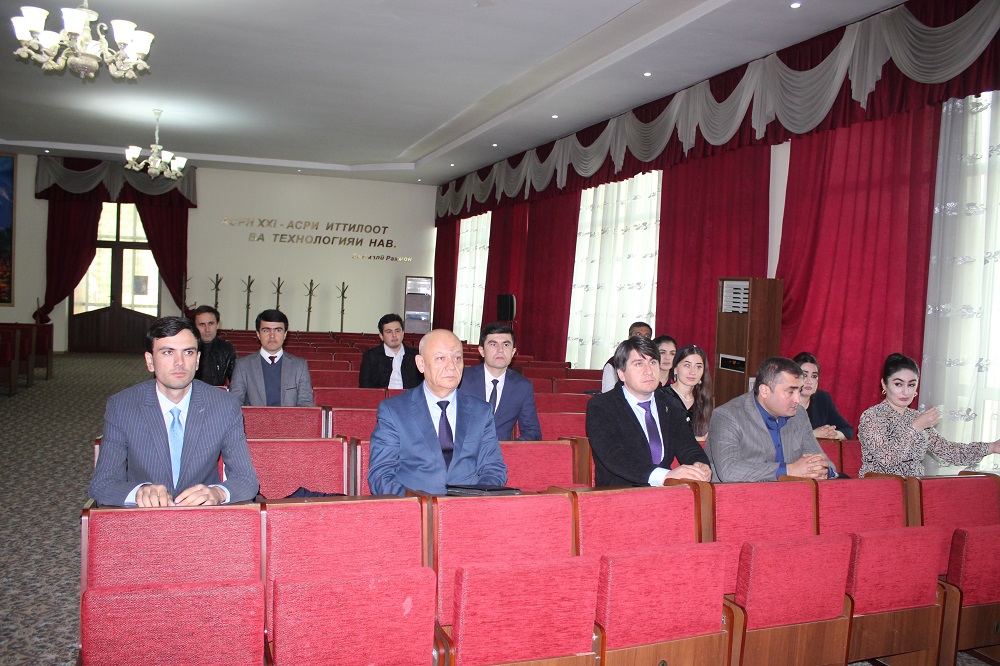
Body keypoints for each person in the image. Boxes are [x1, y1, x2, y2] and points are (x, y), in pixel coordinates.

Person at [88, 316, 259, 507]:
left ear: (197, 360)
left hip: (203, 516)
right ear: (150, 361)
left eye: (188, 352)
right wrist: (139, 492)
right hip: (144, 517)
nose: (179, 362)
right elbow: (102, 484)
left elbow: (246, 480)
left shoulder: (224, 406)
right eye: (168, 352)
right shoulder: (122, 407)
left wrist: (218, 493)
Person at [368, 329, 508, 496]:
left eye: (457, 358)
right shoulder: (394, 411)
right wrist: (419, 504)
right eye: (441, 358)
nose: (452, 366)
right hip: (415, 506)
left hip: (468, 505)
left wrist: (475, 501)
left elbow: (493, 469)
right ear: (420, 364)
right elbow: (381, 475)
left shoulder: (481, 411)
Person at [586, 336, 711, 487]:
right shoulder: (602, 406)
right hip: (620, 492)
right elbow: (614, 456)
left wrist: (700, 464)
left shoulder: (670, 404)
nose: (649, 371)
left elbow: (688, 445)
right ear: (621, 373)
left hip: (665, 491)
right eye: (639, 364)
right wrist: (665, 475)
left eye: (653, 363)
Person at [857, 353, 1000, 477]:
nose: (906, 392)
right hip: (879, 487)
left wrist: (992, 447)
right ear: (884, 384)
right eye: (898, 384)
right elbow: (886, 459)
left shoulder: (916, 417)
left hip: (913, 488)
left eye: (911, 385)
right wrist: (915, 428)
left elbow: (949, 451)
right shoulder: (871, 417)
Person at [706, 356, 837, 482]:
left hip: (791, 493)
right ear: (764, 391)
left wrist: (823, 471)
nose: (798, 399)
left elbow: (825, 462)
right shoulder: (727, 416)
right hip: (740, 495)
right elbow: (729, 470)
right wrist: (789, 470)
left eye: (799, 390)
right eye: (790, 392)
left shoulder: (799, 414)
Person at [458, 322, 541, 441]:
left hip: (503, 451)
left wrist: (510, 448)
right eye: (493, 344)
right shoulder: (461, 379)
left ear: (513, 352)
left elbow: (532, 432)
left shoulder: (522, 386)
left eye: (506, 345)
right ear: (481, 351)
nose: (500, 350)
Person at [229, 309, 314, 407]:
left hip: (290, 417)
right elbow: (235, 404)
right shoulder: (242, 366)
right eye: (266, 330)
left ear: (285, 334)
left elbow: (306, 405)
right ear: (258, 334)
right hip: (254, 417)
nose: (272, 335)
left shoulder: (300, 366)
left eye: (278, 330)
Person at [793, 352, 854, 440]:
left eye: (814, 376)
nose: (809, 381)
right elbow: (781, 439)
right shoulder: (783, 402)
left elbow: (848, 430)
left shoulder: (822, 399)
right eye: (805, 375)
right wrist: (812, 435)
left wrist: (831, 435)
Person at [661, 345, 713, 442]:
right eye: (687, 365)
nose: (693, 372)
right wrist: (698, 439)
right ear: (675, 369)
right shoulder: (661, 396)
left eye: (698, 367)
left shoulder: (703, 399)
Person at [359, 313, 423, 389]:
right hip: (381, 396)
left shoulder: (416, 355)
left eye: (397, 331)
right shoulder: (371, 356)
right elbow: (365, 385)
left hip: (409, 395)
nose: (394, 335)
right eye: (389, 332)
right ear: (381, 336)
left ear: (403, 333)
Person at [191, 304, 236, 387]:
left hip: (215, 393)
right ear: (194, 326)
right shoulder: (186, 349)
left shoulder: (226, 349)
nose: (207, 329)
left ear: (217, 325)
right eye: (202, 324)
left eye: (210, 324)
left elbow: (237, 381)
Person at [601, 321, 653, 392]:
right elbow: (608, 392)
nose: (642, 338)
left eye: (647, 336)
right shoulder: (613, 363)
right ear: (629, 337)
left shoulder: (654, 361)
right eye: (638, 334)